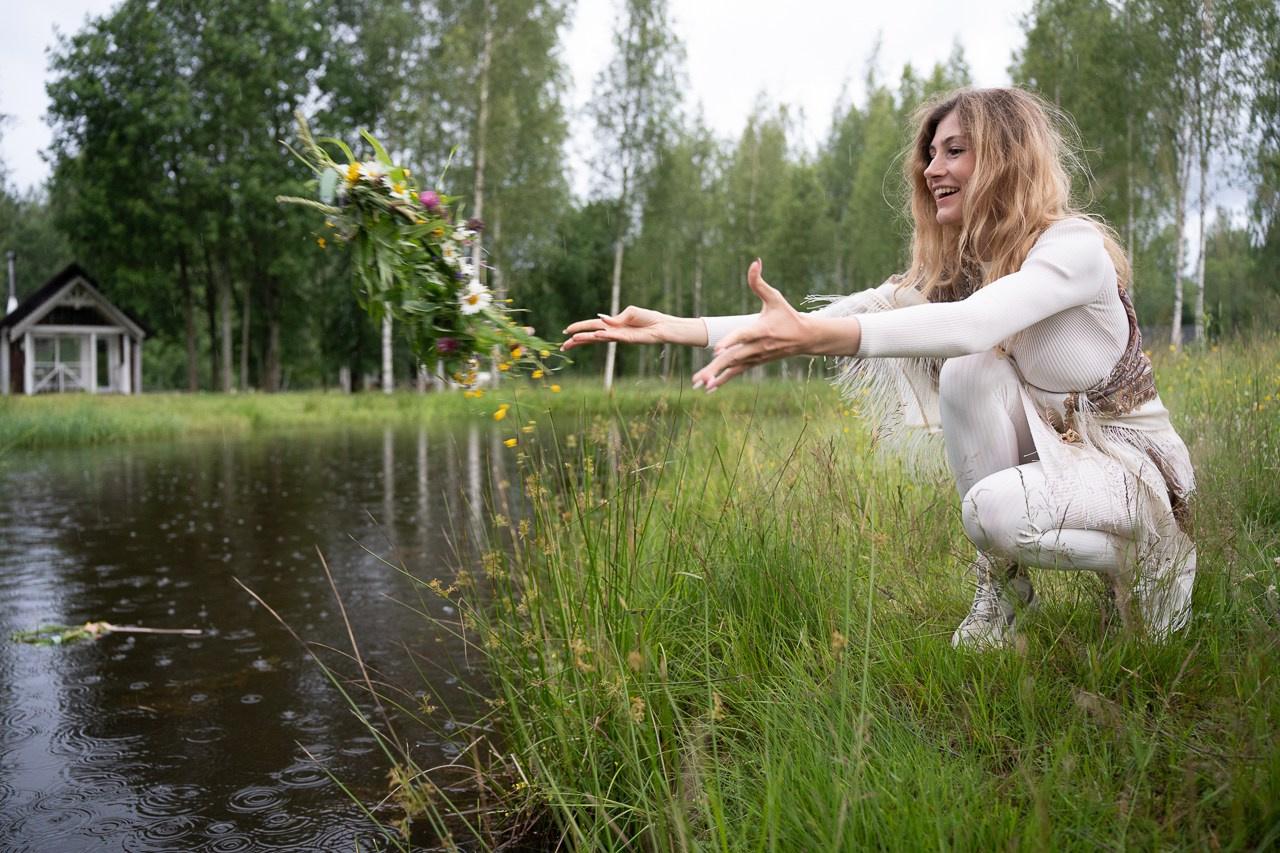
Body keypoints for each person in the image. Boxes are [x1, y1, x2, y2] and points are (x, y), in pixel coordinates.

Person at [562, 87, 1196, 650]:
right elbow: (839, 316)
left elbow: (972, 324)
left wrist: (811, 335)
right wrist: (683, 329)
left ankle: (1151, 558)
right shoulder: (961, 273)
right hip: (1063, 457)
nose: (931, 168)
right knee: (969, 373)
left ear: (1007, 159)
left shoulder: (1074, 249)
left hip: (1132, 469)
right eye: (931, 153)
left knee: (990, 508)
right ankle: (1004, 596)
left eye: (955, 151)